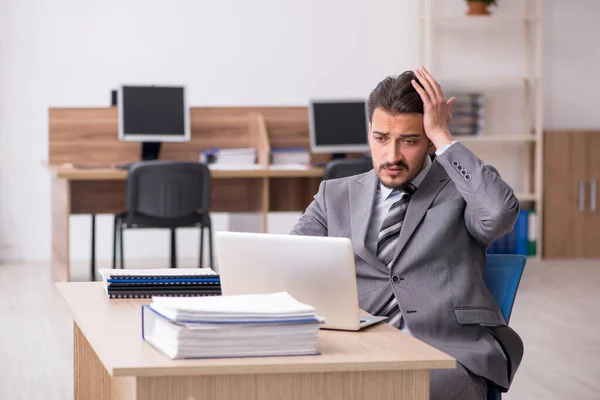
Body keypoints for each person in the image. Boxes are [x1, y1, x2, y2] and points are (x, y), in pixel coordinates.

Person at [291, 67, 524, 400]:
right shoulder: (335, 195)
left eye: (409, 141)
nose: (392, 156)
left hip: (445, 354)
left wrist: (445, 137)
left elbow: (499, 213)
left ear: (428, 140)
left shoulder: (461, 190)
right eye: (381, 139)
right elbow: (288, 260)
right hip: (358, 349)